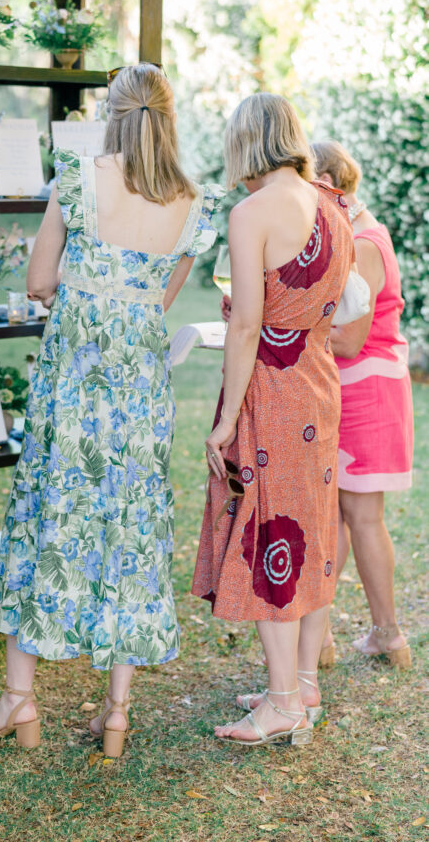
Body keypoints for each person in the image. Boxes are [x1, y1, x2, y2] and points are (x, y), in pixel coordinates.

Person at [0, 63, 219, 754]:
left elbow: (38, 281)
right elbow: (158, 302)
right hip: (138, 395)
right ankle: (115, 713)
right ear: (168, 116)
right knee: (130, 528)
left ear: (110, 112)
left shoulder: (78, 178)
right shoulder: (192, 202)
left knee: (48, 514)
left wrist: (81, 296)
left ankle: (20, 700)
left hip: (72, 387)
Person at [192, 93, 354, 746]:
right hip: (318, 382)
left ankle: (283, 701)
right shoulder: (331, 206)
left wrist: (227, 417)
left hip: (272, 393)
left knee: (271, 536)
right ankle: (301, 684)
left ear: (243, 141)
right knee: (307, 533)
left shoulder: (251, 213)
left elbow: (249, 324)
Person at [312, 140, 413, 668]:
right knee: (339, 514)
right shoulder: (361, 234)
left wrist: (288, 331)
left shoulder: (365, 243)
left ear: (331, 181)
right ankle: (325, 636)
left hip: (366, 390)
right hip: (361, 388)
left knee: (360, 515)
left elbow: (349, 340)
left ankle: (387, 634)